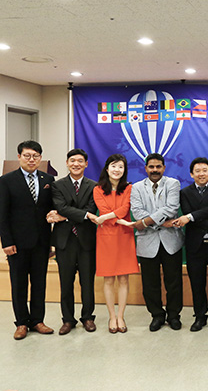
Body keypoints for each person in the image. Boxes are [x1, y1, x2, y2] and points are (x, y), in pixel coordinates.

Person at [0, 140, 56, 340]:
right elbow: (2, 214)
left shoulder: (48, 179)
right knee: (19, 283)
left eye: (35, 156)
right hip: (17, 243)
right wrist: (6, 242)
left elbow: (51, 208)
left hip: (41, 242)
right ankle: (22, 323)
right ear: (19, 157)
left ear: (40, 158)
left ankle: (38, 321)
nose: (31, 159)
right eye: (27, 156)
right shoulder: (6, 181)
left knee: (39, 283)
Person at [173, 158, 208, 332]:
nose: (201, 174)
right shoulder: (184, 193)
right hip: (194, 245)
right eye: (197, 171)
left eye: (205, 170)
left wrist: (191, 217)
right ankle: (200, 317)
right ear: (191, 174)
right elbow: (188, 215)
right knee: (197, 284)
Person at [131, 153, 184, 332]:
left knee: (174, 282)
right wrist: (158, 222)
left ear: (164, 168)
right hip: (147, 241)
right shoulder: (136, 187)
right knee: (150, 283)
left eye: (158, 166)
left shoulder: (173, 184)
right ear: (146, 168)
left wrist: (145, 222)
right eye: (151, 167)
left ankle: (174, 315)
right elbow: (137, 212)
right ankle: (157, 315)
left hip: (171, 241)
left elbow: (171, 208)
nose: (155, 170)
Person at [51, 149, 98, 335]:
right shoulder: (57, 185)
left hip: (86, 241)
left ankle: (88, 317)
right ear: (67, 163)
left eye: (80, 161)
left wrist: (64, 216)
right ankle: (68, 319)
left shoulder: (94, 186)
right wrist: (81, 215)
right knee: (66, 283)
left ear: (86, 164)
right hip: (65, 241)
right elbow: (60, 207)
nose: (76, 164)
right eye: (72, 160)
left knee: (87, 282)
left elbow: (91, 209)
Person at [93, 154, 139, 333]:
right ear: (107, 169)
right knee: (108, 278)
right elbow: (103, 209)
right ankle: (112, 316)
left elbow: (124, 208)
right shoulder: (98, 189)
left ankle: (121, 316)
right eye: (114, 166)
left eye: (121, 167)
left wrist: (106, 217)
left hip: (124, 237)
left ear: (124, 170)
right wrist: (120, 220)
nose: (117, 170)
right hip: (106, 237)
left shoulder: (129, 188)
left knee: (124, 278)